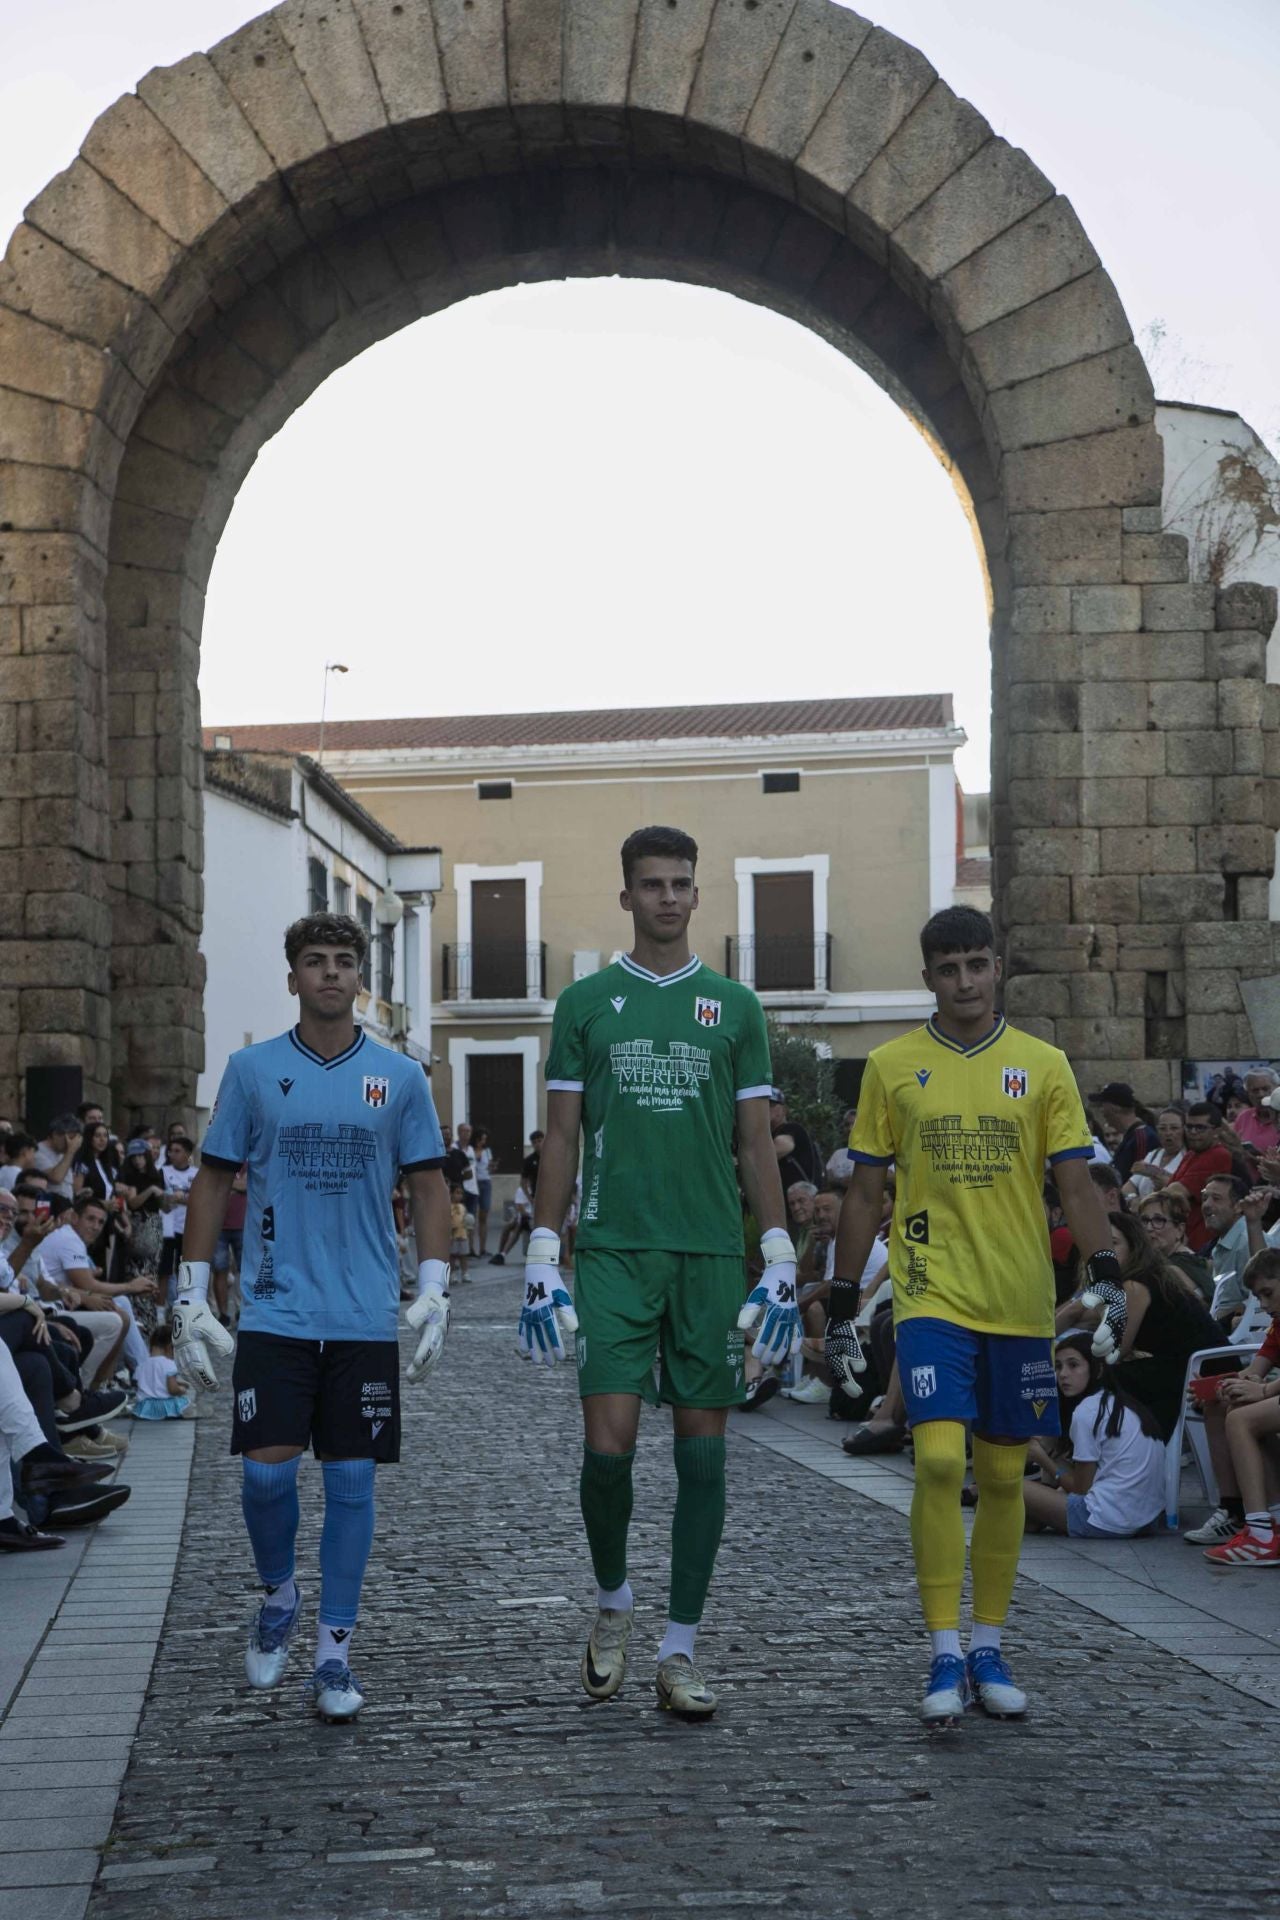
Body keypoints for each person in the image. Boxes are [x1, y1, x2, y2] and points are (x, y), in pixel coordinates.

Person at [824, 904, 1119, 1728]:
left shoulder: (1044, 1065)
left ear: (997, 969)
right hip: (931, 1292)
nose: (964, 983)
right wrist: (846, 1298)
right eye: (947, 970)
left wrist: (1104, 1273)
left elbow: (1074, 1183)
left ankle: (990, 1641)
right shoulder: (889, 1065)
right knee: (939, 1462)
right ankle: (945, 1647)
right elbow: (865, 1191)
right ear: (927, 977)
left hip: (1019, 1300)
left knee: (1000, 1475)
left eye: (976, 967)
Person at [525, 825, 794, 1719]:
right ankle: (613, 1603)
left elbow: (755, 1144)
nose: (669, 898)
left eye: (682, 883)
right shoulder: (587, 1004)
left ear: (695, 892)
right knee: (608, 1453)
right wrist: (541, 1247)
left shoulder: (736, 1008)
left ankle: (680, 1647)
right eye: (652, 884)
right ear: (627, 895)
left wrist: (779, 1252)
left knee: (703, 1461)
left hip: (711, 1254)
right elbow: (561, 1135)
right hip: (611, 1251)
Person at [173, 912, 451, 1725]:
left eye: (344, 962)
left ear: (360, 978)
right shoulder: (253, 1071)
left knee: (352, 1481)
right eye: (314, 962)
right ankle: (279, 1593)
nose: (330, 974)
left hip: (364, 1312)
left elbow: (429, 1186)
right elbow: (213, 1180)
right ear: (292, 977)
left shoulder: (398, 1078)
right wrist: (190, 1292)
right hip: (275, 1308)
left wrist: (432, 1284)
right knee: (264, 1475)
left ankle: (333, 1655)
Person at [1023, 1333, 1165, 1538]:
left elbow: (1080, 1489)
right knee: (1036, 1507)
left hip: (1106, 1519)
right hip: (1145, 1520)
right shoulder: (1122, 1404)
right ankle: (1037, 1517)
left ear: (1097, 1369)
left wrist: (1041, 1457)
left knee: (1010, 1485)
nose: (1063, 1374)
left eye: (1073, 1365)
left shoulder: (1087, 1412)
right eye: (1058, 1366)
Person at [1105, 1210, 1222, 1441]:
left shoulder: (1135, 1285)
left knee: (1092, 1377)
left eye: (1114, 1244)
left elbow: (1115, 1351)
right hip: (1195, 1364)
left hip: (1200, 1373)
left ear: (1134, 1246)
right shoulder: (1151, 1274)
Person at [1196, 1250, 1280, 1566]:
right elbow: (1254, 1371)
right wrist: (1227, 1386)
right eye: (1259, 1296)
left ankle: (1258, 1533)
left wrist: (1262, 1390)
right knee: (1236, 1407)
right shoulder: (1278, 1323)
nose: (1263, 1304)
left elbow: (1261, 1385)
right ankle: (1273, 1521)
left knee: (1242, 1420)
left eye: (1268, 1293)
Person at [1141, 1102, 1232, 1250]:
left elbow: (1173, 1192)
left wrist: (1141, 1205)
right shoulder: (1191, 1154)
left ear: (1217, 1131)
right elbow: (1168, 1189)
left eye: (1200, 1128)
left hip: (1199, 1243)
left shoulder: (1218, 1154)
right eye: (1189, 1127)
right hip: (1184, 1237)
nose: (1193, 1132)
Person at [1135, 1187, 1212, 1302]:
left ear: (1179, 1230)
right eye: (1145, 1220)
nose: (1149, 1228)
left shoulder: (1174, 1270)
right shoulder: (1164, 1261)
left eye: (1158, 1220)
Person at [1089, 1083, 1159, 1185]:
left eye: (1102, 1104)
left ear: (1114, 1108)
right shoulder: (1130, 1137)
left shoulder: (1142, 1138)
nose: (1101, 1110)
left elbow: (1141, 1180)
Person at [159, 1135, 197, 1300]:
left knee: (184, 1270)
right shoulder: (163, 1172)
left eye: (177, 1151)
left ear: (187, 1154)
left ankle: (182, 1305)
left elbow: (199, 1200)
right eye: (170, 1151)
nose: (172, 1154)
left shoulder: (196, 1174)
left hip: (188, 1228)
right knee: (164, 1270)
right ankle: (160, 1312)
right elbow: (161, 1198)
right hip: (167, 1228)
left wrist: (182, 1198)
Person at [131, 1325, 192, 1421]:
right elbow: (172, 1389)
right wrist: (181, 1389)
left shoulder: (141, 1365)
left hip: (145, 1406)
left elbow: (147, 1382)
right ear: (170, 1347)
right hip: (165, 1406)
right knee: (185, 1401)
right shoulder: (169, 1364)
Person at [769, 1092, 824, 1192]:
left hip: (802, 1197)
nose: (767, 1109)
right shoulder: (770, 1135)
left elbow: (784, 1147)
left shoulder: (790, 1128)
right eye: (763, 1106)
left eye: (772, 1105)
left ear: (784, 1110)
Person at [32, 1115, 83, 1201]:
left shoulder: (63, 1154)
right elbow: (56, 1178)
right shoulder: (39, 1152)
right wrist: (70, 1151)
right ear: (55, 1134)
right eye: (70, 1139)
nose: (71, 1144)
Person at [1234, 1070, 1280, 1155]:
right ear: (1248, 1094)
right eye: (1255, 1090)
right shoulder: (1243, 1117)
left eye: (1265, 1089)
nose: (1261, 1094)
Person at [471, 1126, 494, 1255]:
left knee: (483, 1216)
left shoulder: (487, 1151)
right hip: (474, 1182)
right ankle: (470, 1248)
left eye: (485, 1139)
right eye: (481, 1139)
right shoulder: (471, 1150)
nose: (483, 1142)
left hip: (485, 1181)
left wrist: (492, 1166)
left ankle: (482, 1248)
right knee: (472, 1216)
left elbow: (489, 1168)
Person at [448, 1184, 473, 1285]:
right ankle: (452, 1274)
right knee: (452, 1256)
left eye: (461, 1193)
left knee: (463, 1255)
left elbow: (466, 1220)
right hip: (453, 1235)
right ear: (451, 1194)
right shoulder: (448, 1207)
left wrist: (469, 1228)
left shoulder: (463, 1207)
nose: (460, 1195)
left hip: (463, 1234)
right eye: (457, 1193)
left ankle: (465, 1273)